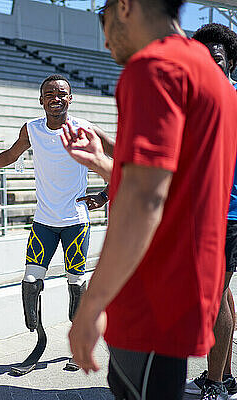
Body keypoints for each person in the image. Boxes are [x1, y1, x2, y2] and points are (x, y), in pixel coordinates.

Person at [62, 0, 237, 398]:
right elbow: (180, 186)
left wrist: (89, 309)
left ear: (125, 6)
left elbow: (144, 202)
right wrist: (109, 166)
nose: (104, 41)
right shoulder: (210, 76)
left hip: (151, 290)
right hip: (184, 285)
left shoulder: (153, 68)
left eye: (102, 21)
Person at [0, 74, 113, 373]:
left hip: (76, 222)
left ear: (70, 98)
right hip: (44, 221)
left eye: (62, 93)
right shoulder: (32, 129)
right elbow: (10, 155)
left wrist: (106, 195)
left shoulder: (84, 129)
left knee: (75, 282)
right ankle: (38, 339)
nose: (55, 98)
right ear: (41, 99)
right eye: (49, 93)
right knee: (30, 281)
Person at [184, 23, 237, 400]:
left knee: (212, 299)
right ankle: (225, 376)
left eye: (216, 59)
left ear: (230, 62)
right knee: (222, 295)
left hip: (226, 215)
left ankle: (216, 385)